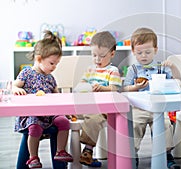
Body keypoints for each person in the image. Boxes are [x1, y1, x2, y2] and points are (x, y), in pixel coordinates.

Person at [13, 30, 73, 169]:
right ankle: (33, 157)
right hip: (31, 115)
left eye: (56, 64)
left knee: (64, 121)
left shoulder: (50, 78)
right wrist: (17, 90)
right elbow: (15, 86)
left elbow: (58, 97)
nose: (54, 67)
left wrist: (65, 111)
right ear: (39, 59)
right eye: (52, 63)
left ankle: (60, 151)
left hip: (50, 115)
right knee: (34, 127)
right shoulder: (27, 72)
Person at [122, 27, 180, 169]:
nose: (144, 56)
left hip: (159, 108)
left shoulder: (162, 68)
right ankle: (133, 155)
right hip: (139, 108)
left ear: (155, 50)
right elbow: (124, 89)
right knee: (134, 125)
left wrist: (173, 68)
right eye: (139, 52)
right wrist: (135, 87)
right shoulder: (133, 70)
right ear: (133, 52)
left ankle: (166, 155)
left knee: (165, 126)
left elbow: (176, 82)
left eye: (148, 52)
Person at [77, 31, 122, 167]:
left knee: (93, 118)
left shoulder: (112, 70)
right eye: (94, 55)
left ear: (112, 54)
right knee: (69, 114)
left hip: (104, 108)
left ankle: (87, 150)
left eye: (102, 56)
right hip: (88, 104)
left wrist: (103, 88)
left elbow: (115, 88)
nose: (97, 59)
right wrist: (84, 87)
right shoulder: (90, 69)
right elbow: (82, 84)